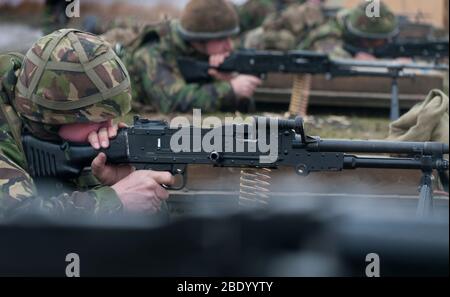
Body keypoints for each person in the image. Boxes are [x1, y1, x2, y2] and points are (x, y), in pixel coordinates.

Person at [0, 29, 174, 219]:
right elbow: (18, 224)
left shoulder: (71, 148)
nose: (109, 128)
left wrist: (125, 183)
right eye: (98, 119)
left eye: (112, 117)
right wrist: (114, 200)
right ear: (52, 119)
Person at [123, 0, 262, 114]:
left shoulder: (203, 52)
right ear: (200, 38)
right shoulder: (153, 51)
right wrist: (229, 89)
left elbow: (239, 110)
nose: (229, 46)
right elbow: (171, 102)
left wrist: (226, 81)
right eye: (222, 39)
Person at [298, 1, 400, 59]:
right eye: (369, 41)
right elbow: (327, 52)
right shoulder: (333, 28)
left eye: (380, 41)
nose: (372, 46)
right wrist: (355, 59)